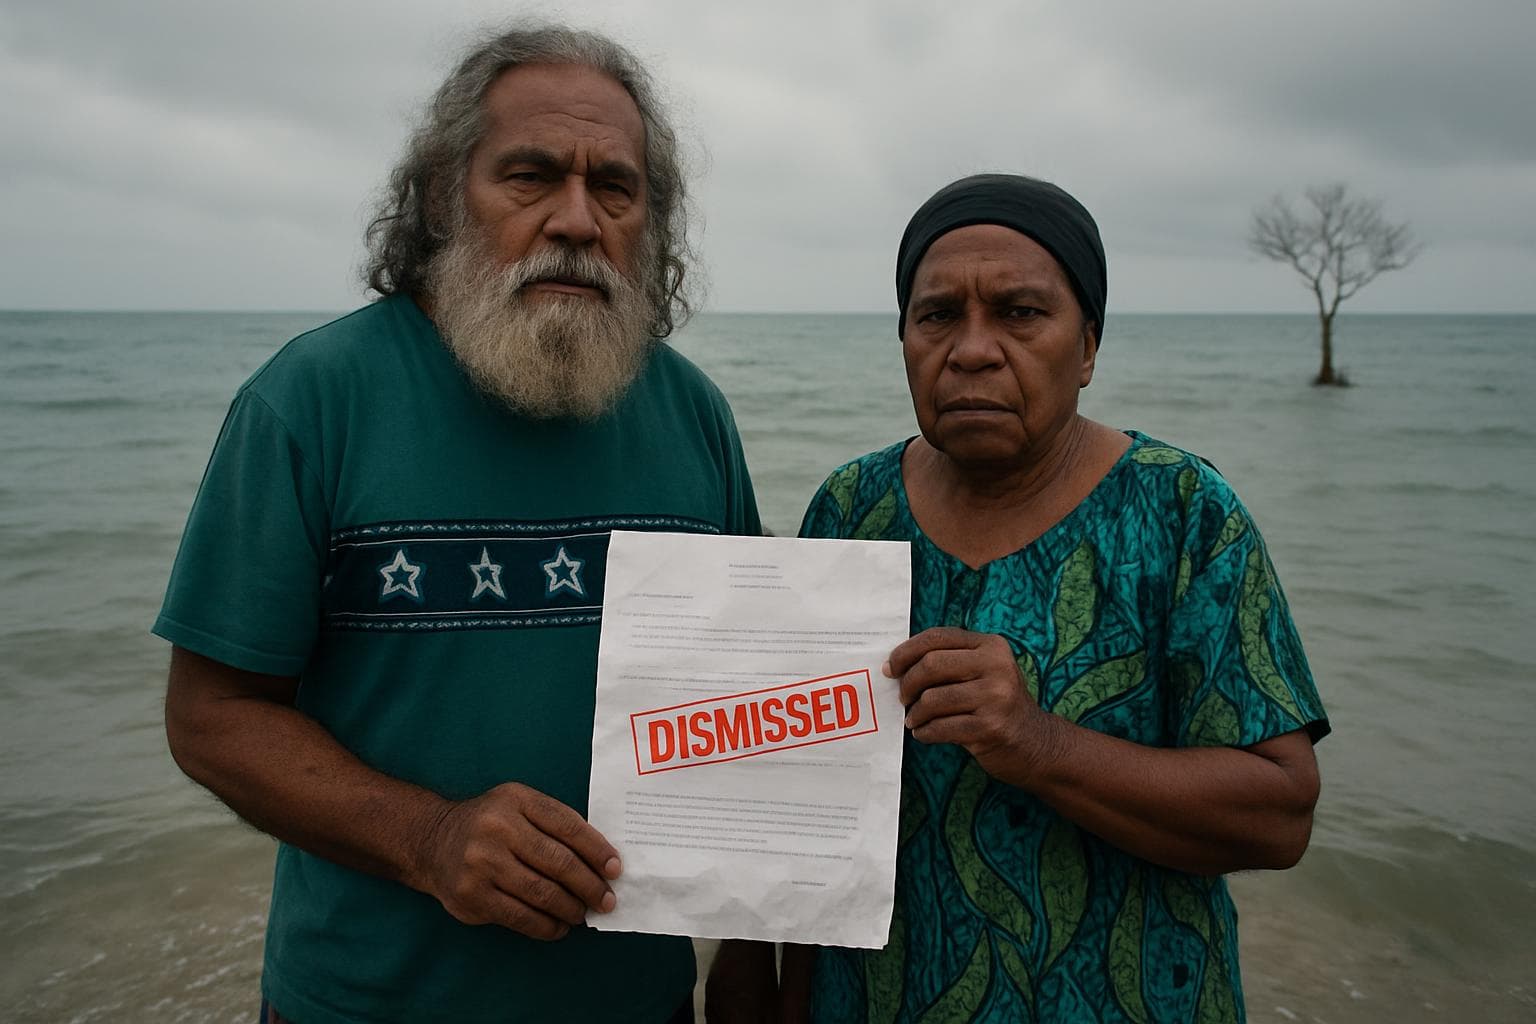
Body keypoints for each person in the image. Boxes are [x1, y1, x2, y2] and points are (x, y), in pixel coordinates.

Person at [155, 23, 760, 1024]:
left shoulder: (692, 414)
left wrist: (754, 947)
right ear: (444, 195)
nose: (577, 218)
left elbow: (749, 707)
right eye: (530, 176)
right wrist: (428, 837)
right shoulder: (311, 402)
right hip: (359, 1005)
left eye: (615, 187)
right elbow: (211, 716)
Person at [710, 174, 1327, 1023]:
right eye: (936, 316)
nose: (971, 349)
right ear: (903, 340)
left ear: (1088, 347)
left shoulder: (1182, 511)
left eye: (1020, 312)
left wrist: (1037, 742)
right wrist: (751, 965)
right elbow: (796, 778)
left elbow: (1280, 816)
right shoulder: (852, 509)